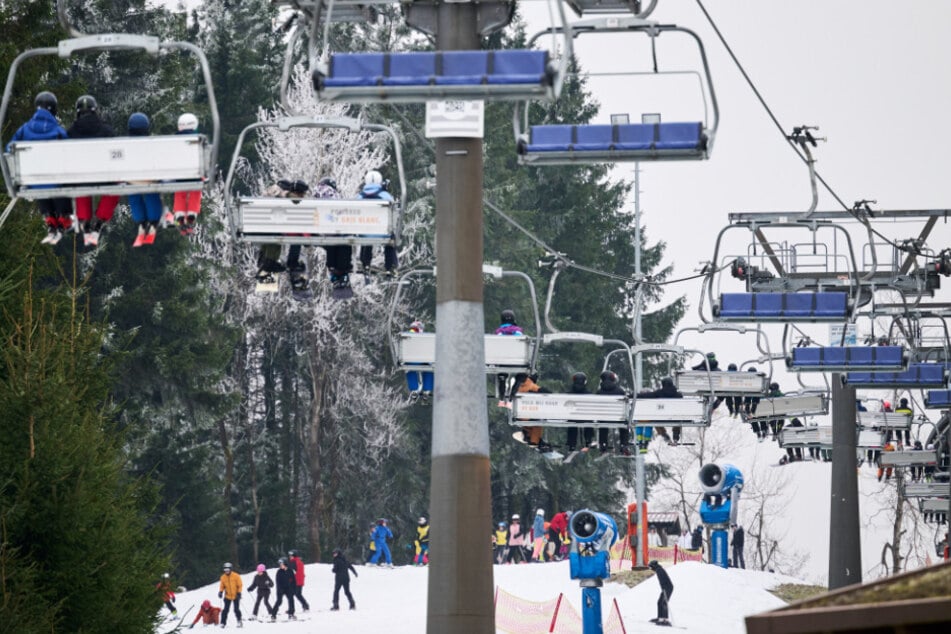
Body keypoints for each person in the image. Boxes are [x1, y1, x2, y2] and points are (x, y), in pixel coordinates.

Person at [6, 91, 71, 244]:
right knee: (57, 182)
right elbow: (69, 150)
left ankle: (50, 219)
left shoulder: (25, 129)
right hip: (56, 180)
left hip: (32, 180)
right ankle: (64, 218)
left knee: (39, 182)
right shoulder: (58, 131)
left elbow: (10, 148)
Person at [68, 95, 120, 244]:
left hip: (82, 177)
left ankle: (84, 220)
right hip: (104, 176)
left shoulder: (71, 133)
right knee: (115, 185)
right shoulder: (107, 131)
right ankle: (100, 219)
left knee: (80, 183)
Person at [254, 179, 309, 288]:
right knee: (284, 236)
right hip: (270, 227)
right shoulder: (282, 193)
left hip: (256, 225)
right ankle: (272, 264)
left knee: (273, 235)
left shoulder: (269, 191)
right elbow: (292, 198)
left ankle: (265, 263)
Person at [125, 112, 164, 247]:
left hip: (131, 180)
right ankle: (153, 221)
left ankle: (141, 222)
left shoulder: (124, 145)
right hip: (149, 179)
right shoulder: (152, 144)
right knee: (151, 192)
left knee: (133, 193)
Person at [357, 170, 398, 277]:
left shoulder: (360, 197)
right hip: (383, 232)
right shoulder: (385, 196)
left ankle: (365, 263)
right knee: (390, 241)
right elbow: (393, 211)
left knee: (365, 236)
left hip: (365, 233)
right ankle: (391, 266)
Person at [171, 112, 202, 234]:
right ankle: (191, 215)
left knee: (180, 192)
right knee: (196, 190)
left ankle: (179, 215)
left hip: (179, 175)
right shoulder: (199, 140)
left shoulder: (173, 141)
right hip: (195, 174)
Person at [638, 377, 684, 445]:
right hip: (674, 418)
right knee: (678, 417)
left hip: (661, 418)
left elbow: (645, 395)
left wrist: (632, 395)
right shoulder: (679, 395)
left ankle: (664, 434)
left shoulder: (659, 393)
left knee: (654, 419)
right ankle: (676, 436)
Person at [514, 373, 551, 450]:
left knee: (534, 421)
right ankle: (534, 441)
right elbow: (543, 391)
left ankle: (529, 435)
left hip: (520, 414)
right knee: (537, 423)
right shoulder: (530, 385)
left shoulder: (517, 386)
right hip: (529, 414)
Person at [495, 309, 525, 398]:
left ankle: (502, 388)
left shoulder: (499, 332)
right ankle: (516, 385)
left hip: (502, 361)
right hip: (517, 360)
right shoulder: (518, 331)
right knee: (524, 373)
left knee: (502, 373)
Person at [598, 370, 628, 453]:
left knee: (603, 424)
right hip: (618, 418)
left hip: (604, 418)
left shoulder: (599, 392)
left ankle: (603, 444)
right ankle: (623, 444)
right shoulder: (620, 391)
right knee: (624, 425)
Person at [405, 320, 434, 403]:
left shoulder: (408, 335)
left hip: (409, 359)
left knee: (410, 369)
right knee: (429, 369)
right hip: (421, 359)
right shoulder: (421, 336)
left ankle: (414, 389)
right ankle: (427, 389)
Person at [565, 372, 594, 452]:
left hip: (572, 418)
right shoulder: (589, 394)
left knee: (571, 422)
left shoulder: (568, 394)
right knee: (589, 421)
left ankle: (572, 444)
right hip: (585, 418)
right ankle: (588, 440)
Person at [648, 560, 674, 626]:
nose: (651, 568)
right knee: (659, 602)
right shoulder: (658, 569)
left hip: (668, 587)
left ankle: (665, 620)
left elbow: (662, 580)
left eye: (651, 567)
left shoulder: (659, 570)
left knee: (664, 602)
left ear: (654, 566)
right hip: (665, 587)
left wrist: (664, 588)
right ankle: (660, 618)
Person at [217, 562, 243, 628]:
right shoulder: (223, 577)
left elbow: (240, 585)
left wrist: (239, 592)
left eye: (228, 570)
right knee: (225, 610)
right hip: (227, 596)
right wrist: (220, 592)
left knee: (236, 609)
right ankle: (223, 623)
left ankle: (239, 621)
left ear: (231, 569)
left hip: (235, 596)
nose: (227, 571)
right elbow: (222, 586)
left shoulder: (236, 576)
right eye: (225, 570)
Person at [271, 557, 296, 621]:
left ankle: (291, 614)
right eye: (280, 564)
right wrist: (279, 590)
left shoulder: (290, 571)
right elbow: (278, 582)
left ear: (285, 564)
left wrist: (293, 588)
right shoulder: (279, 572)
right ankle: (273, 614)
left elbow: (293, 581)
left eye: (282, 564)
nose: (280, 566)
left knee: (291, 600)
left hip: (288, 588)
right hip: (281, 589)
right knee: (279, 601)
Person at [743, 367, 763, 439]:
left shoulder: (746, 381)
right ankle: (763, 429)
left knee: (752, 416)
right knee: (761, 414)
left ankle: (757, 431)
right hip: (760, 405)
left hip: (750, 398)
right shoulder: (760, 381)